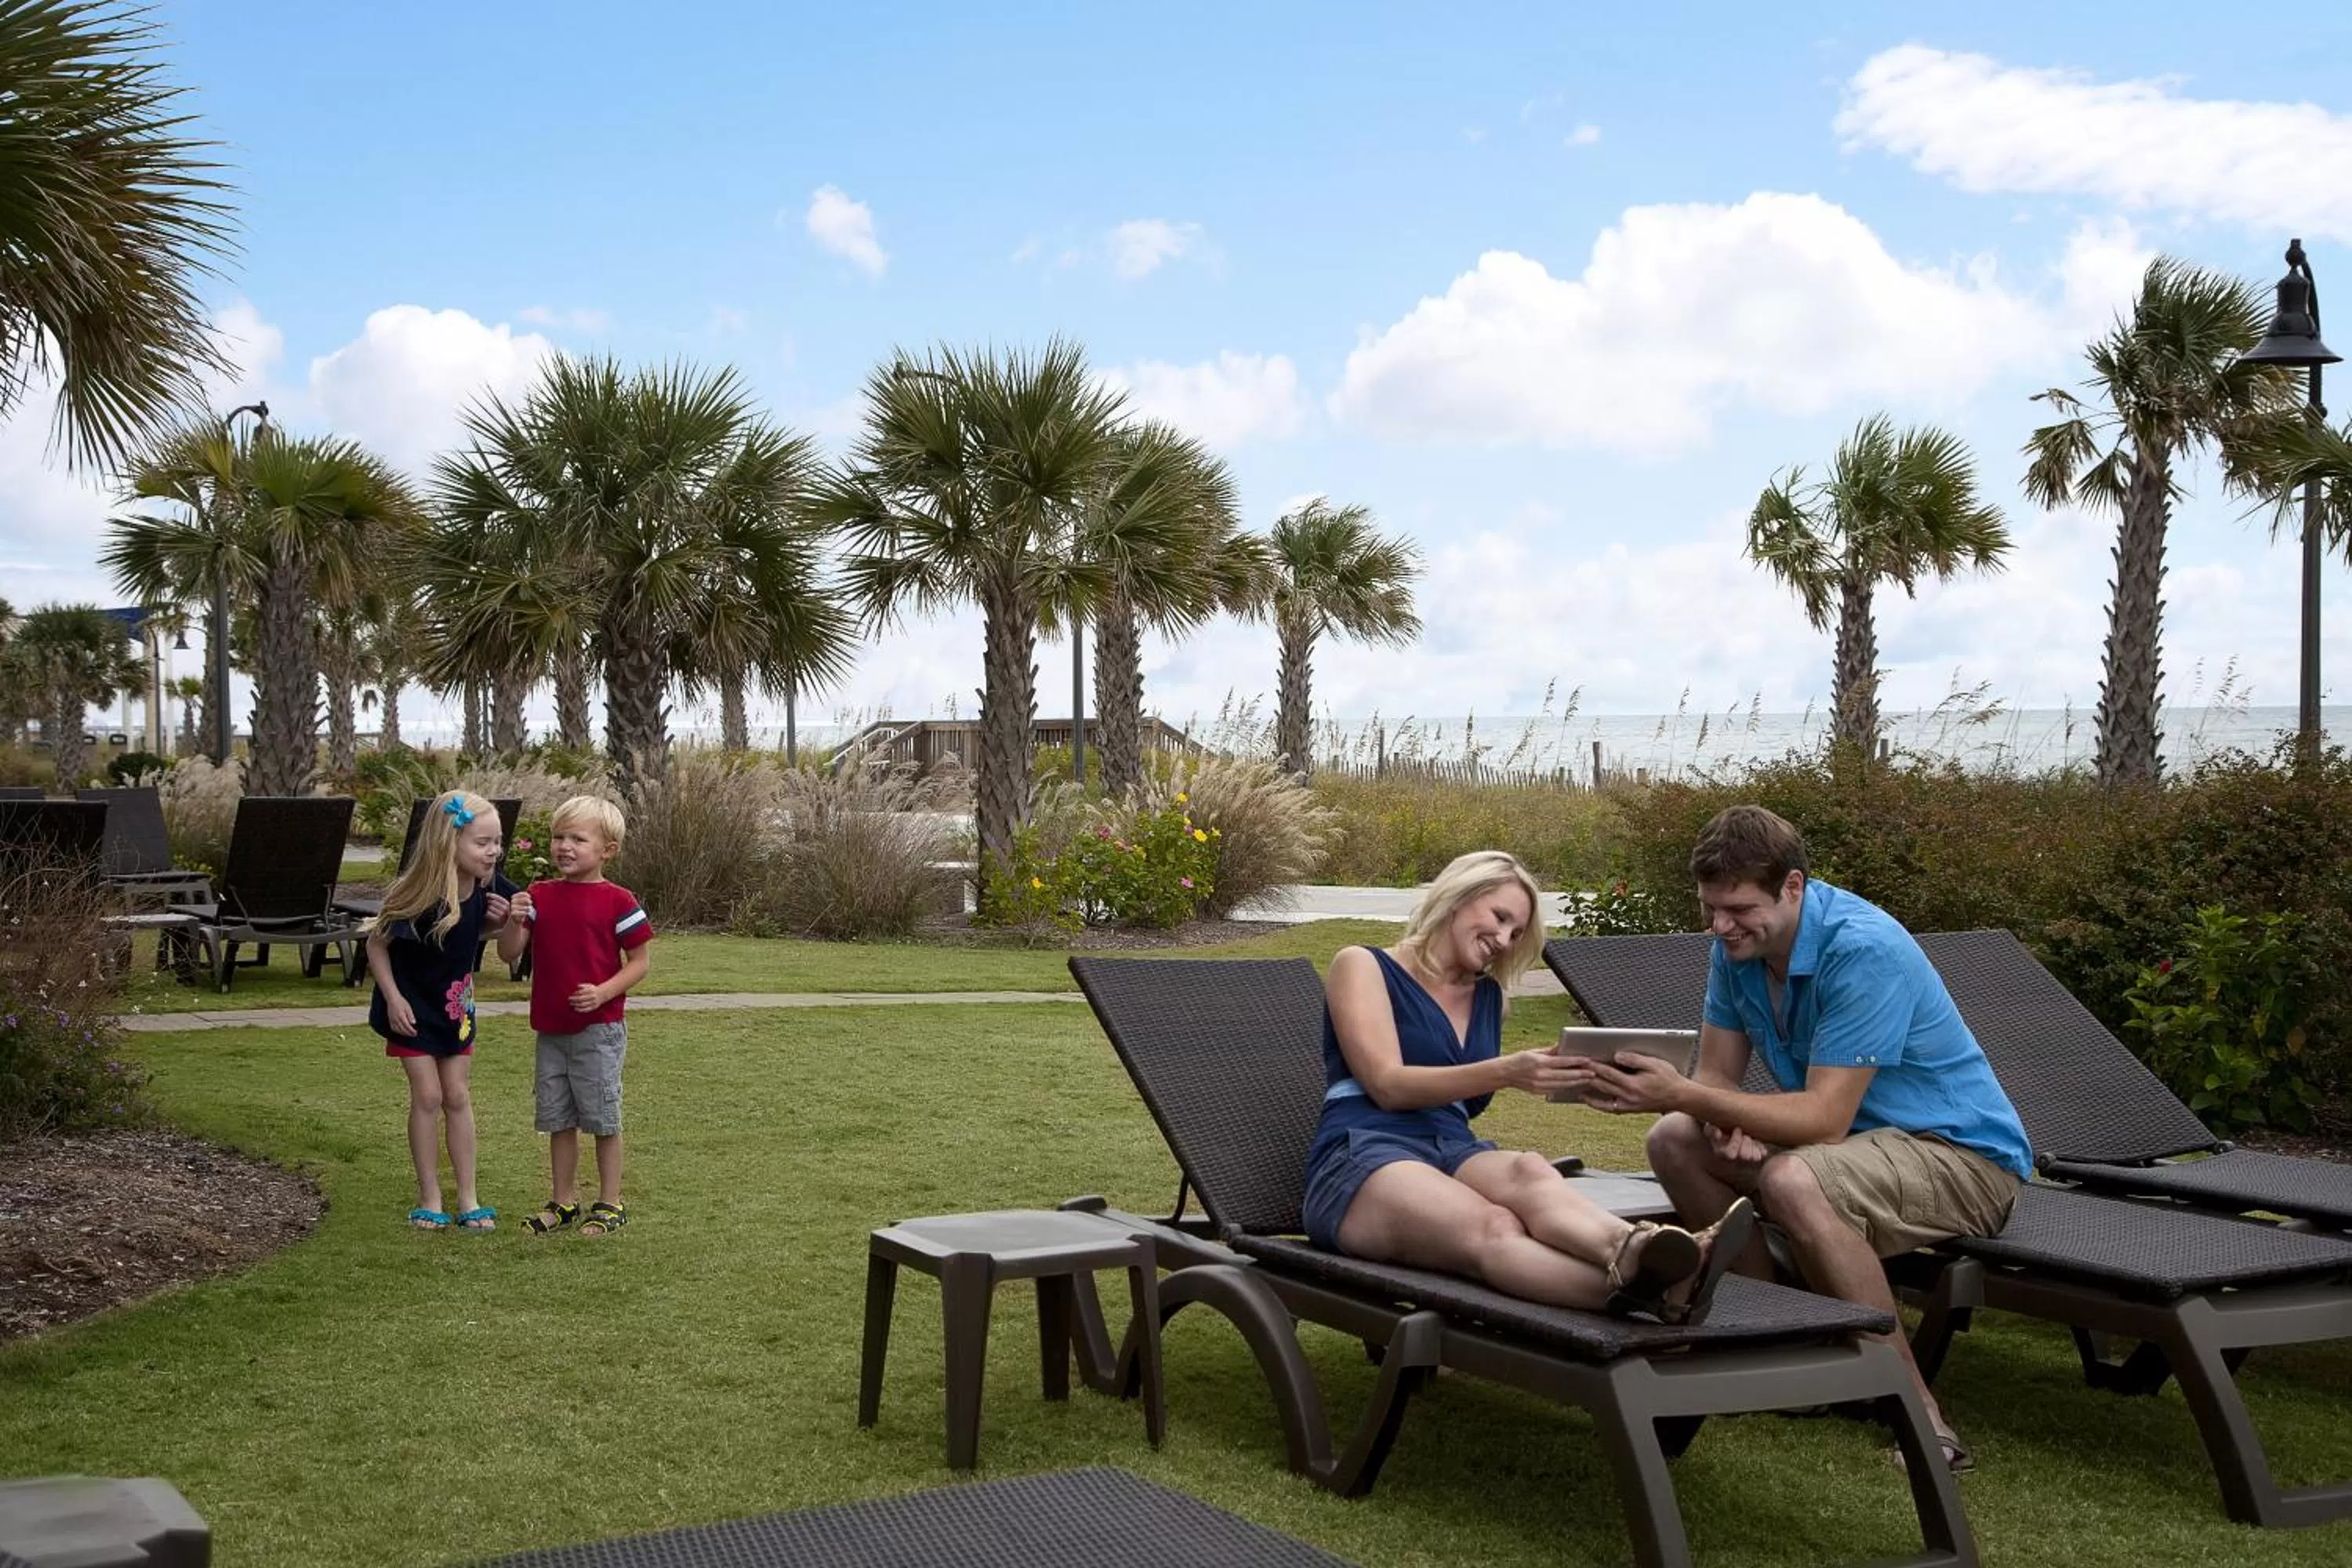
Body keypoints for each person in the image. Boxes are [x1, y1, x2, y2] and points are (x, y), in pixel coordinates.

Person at [1565, 804, 2031, 1475]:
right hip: (1847, 1156)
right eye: (1710, 907)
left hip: (1960, 1157)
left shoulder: (1862, 950)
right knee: (1672, 1140)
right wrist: (1717, 1120)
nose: (1719, 926)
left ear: (1793, 887)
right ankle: (1775, 1346)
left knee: (1790, 1176)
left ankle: (1917, 1410)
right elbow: (1718, 1079)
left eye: (1736, 908)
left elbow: (1822, 1120)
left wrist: (1696, 1097)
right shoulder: (1738, 951)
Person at [1305, 849, 1754, 1323]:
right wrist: (1507, 1070)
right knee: (1494, 1226)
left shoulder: (1490, 999)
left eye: (1516, 933)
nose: (1503, 940)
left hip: (1450, 1149)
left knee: (1531, 1170)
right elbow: (1387, 1085)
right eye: (1499, 918)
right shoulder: (1362, 966)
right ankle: (1657, 1292)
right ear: (1459, 896)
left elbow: (1465, 1104)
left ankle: (1635, 1247)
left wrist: (1563, 1071)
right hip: (1363, 1153)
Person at [496, 795, 653, 1238]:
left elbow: (640, 962)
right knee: (558, 1119)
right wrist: (514, 919)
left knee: (603, 1117)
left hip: (598, 1031)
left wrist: (603, 992)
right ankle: (563, 1203)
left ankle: (610, 1203)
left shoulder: (618, 901)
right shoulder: (541, 897)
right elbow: (509, 953)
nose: (565, 846)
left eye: (578, 839)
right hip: (551, 1030)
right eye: (559, 837)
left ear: (607, 850)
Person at [365, 789, 516, 1231]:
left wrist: (500, 923)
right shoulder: (418, 893)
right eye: (483, 843)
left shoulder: (488, 887)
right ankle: (429, 1195)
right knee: (428, 1096)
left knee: (457, 1096)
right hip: (410, 1008)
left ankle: (468, 1198)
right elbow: (376, 944)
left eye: (497, 841)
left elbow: (483, 935)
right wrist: (393, 998)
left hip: (455, 1008)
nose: (493, 852)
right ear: (449, 843)